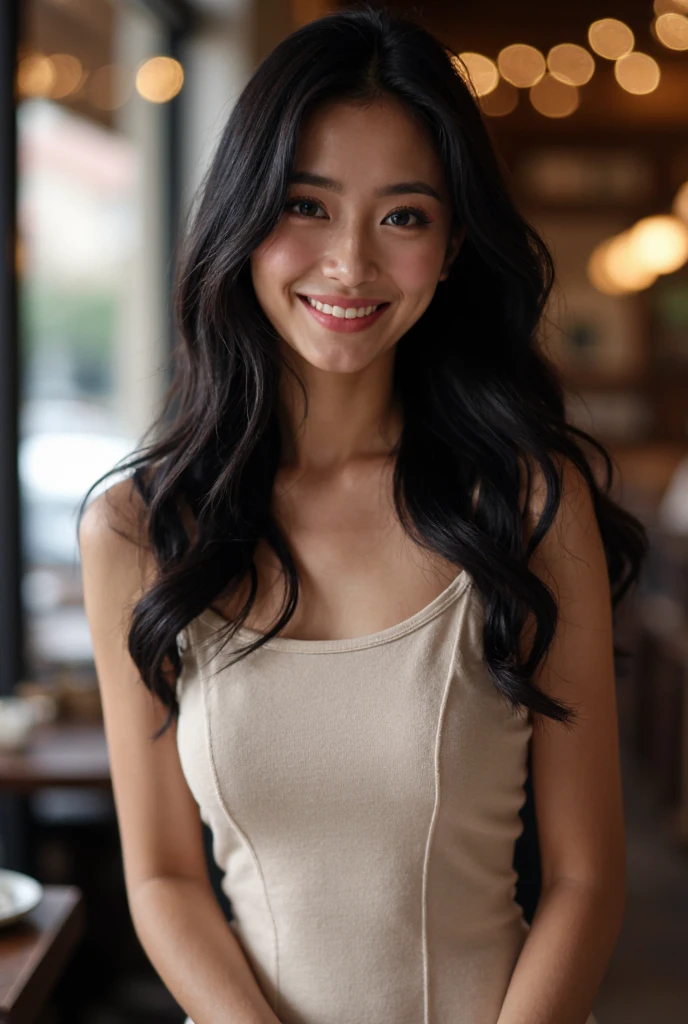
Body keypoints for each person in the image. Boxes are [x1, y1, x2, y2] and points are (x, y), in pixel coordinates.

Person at [78, 5, 647, 1023]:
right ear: (242, 217)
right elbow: (162, 876)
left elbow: (585, 880)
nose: (349, 264)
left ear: (454, 243)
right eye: (306, 204)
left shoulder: (526, 504)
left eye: (403, 215)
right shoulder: (134, 528)